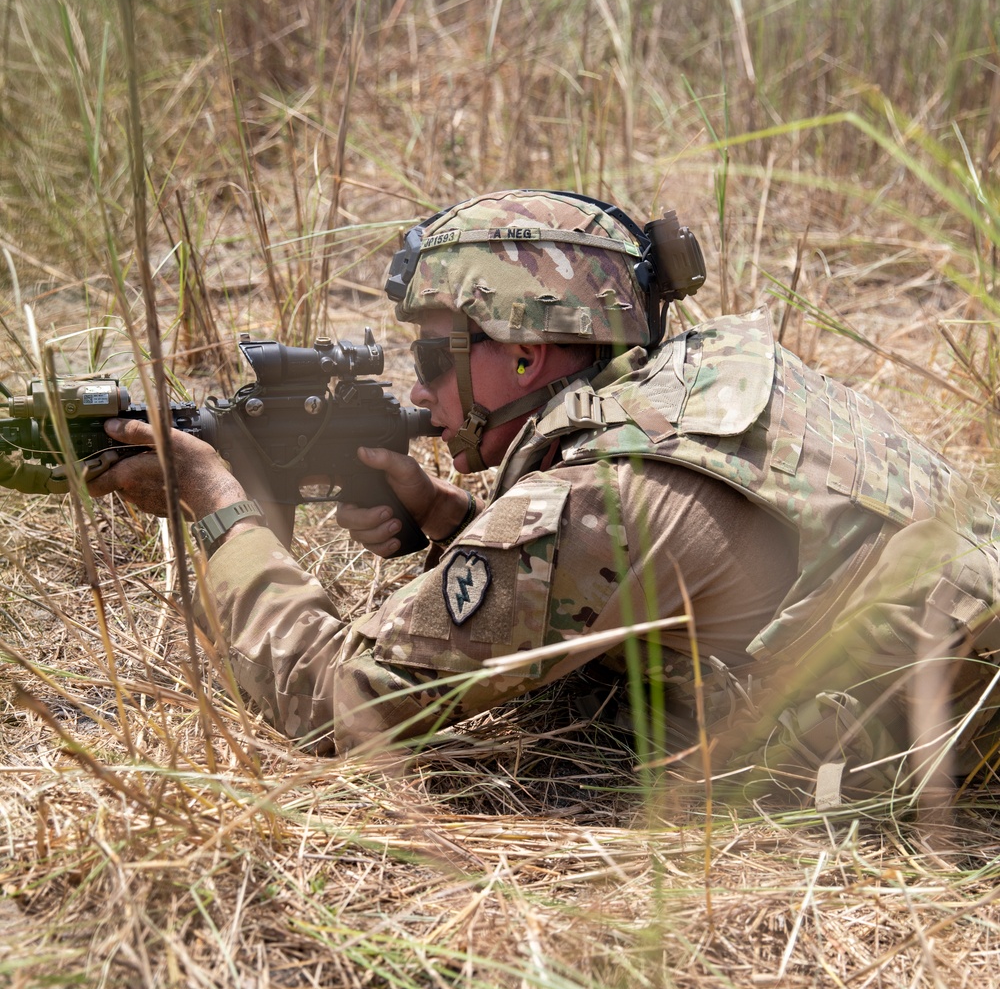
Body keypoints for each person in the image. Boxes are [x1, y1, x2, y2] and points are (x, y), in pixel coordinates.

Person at [85, 189, 1000, 811]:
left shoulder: (586, 503)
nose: (422, 395)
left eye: (436, 358)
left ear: (525, 357)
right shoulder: (704, 373)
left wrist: (217, 502)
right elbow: (648, 579)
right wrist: (451, 523)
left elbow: (331, 706)